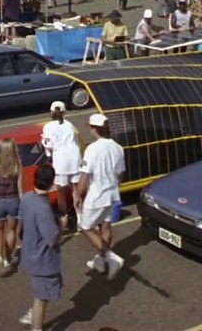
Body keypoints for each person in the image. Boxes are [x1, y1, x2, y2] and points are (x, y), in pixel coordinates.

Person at [77, 113, 125, 281]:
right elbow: (121, 174)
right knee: (105, 227)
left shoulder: (92, 149)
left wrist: (78, 196)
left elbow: (84, 176)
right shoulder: (118, 148)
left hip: (97, 195)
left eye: (90, 127)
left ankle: (111, 257)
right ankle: (102, 261)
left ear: (95, 129)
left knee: (84, 227)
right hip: (113, 194)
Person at [17, 165, 61, 331]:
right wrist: (61, 227)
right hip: (42, 260)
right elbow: (51, 238)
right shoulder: (43, 208)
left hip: (30, 253)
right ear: (51, 183)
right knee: (41, 297)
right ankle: (36, 324)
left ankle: (33, 314)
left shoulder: (27, 198)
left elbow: (21, 223)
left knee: (42, 294)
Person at [0, 138, 24, 277]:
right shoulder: (17, 166)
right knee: (11, 230)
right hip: (13, 201)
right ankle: (7, 258)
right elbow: (20, 190)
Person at [42, 101, 82, 231]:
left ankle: (64, 217)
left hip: (61, 163)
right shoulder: (70, 125)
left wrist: (46, 149)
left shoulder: (48, 126)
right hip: (75, 160)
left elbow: (48, 145)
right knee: (76, 191)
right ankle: (80, 218)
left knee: (61, 191)